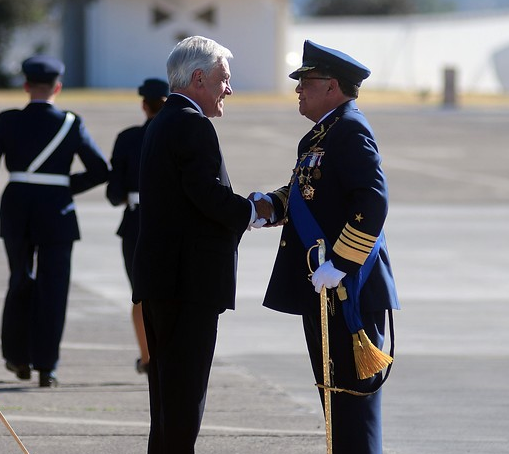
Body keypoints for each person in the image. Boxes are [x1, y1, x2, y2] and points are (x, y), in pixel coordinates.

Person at [254, 40, 400, 454]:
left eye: (306, 81)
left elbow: (373, 202)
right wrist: (266, 206)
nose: (298, 89)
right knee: (333, 397)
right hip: (324, 288)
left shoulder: (350, 129)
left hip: (346, 289)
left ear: (332, 86)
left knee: (352, 405)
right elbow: (309, 193)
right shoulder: (324, 133)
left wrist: (339, 263)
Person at [131, 36, 273, 453]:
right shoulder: (192, 124)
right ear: (198, 79)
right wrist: (257, 212)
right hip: (186, 286)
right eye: (222, 79)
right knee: (182, 402)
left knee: (168, 403)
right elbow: (206, 195)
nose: (228, 89)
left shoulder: (163, 121)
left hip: (165, 282)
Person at [0, 55, 109, 388]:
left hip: (16, 208)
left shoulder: (7, 121)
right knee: (54, 288)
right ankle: (48, 366)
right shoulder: (71, 123)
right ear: (58, 87)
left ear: (26, 85)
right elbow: (101, 170)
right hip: (57, 212)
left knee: (20, 280)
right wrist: (62, 186)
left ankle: (17, 357)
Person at [106, 77, 169, 375]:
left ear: (144, 105)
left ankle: (147, 358)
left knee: (141, 293)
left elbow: (114, 194)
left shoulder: (128, 138)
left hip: (136, 223)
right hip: (172, 222)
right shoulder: (179, 134)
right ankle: (168, 354)